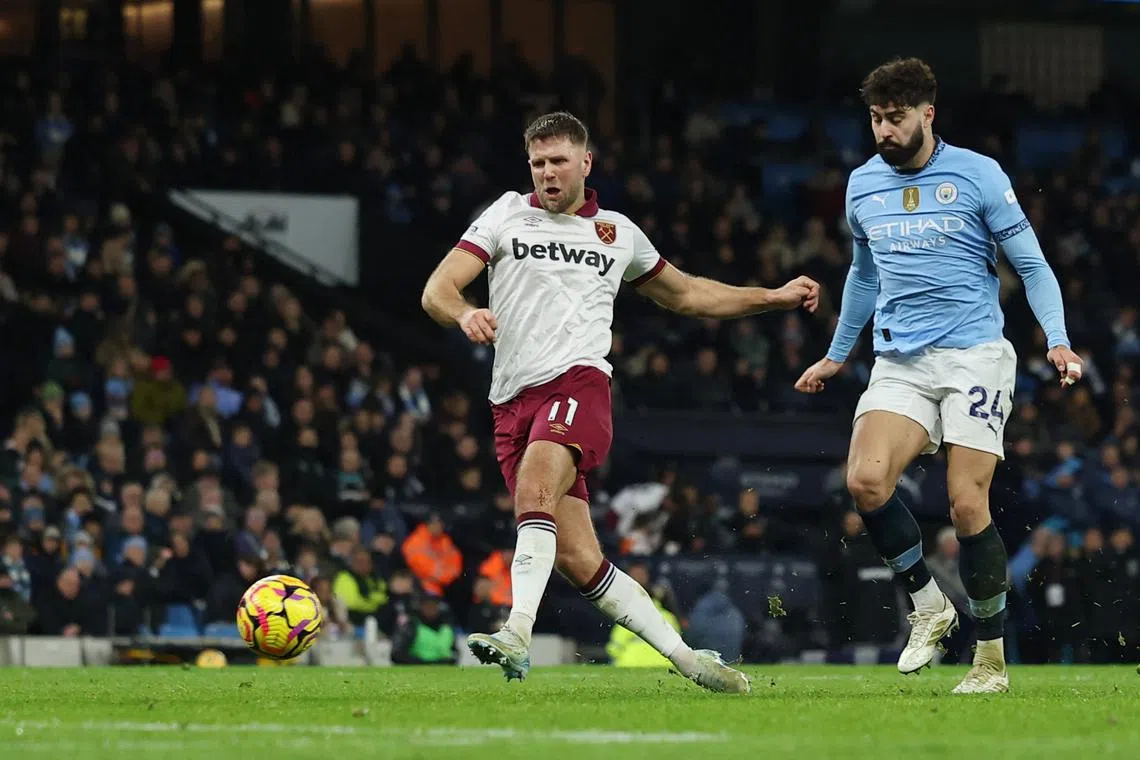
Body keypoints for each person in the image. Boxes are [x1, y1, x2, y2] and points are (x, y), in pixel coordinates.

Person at [422, 111, 820, 694]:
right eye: (538, 163)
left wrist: (772, 297)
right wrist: (465, 312)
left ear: (586, 162)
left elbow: (685, 293)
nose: (548, 174)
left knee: (534, 492)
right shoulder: (507, 213)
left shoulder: (616, 232)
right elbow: (438, 289)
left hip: (578, 386)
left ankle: (515, 633)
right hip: (511, 403)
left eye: (559, 161)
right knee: (579, 559)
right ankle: (689, 659)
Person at [795, 58, 1082, 694]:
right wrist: (839, 355)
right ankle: (929, 606)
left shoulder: (979, 175)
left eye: (895, 119)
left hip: (973, 356)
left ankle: (989, 660)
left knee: (965, 502)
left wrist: (1057, 342)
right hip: (900, 361)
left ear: (928, 114)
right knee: (865, 482)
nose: (883, 132)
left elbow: (1032, 267)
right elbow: (864, 277)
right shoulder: (862, 184)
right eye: (875, 120)